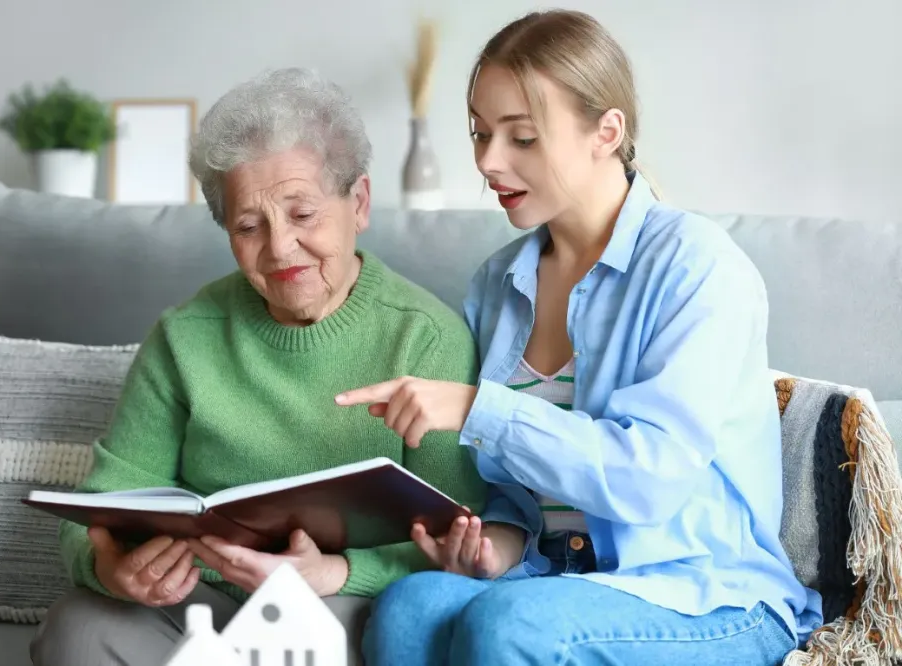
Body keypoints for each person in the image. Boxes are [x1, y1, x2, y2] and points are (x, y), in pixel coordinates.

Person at [336, 10, 823, 665]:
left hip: (709, 597)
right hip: (558, 580)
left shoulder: (697, 265)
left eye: (522, 138)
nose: (488, 161)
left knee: (512, 627)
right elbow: (516, 497)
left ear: (607, 130)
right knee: (409, 609)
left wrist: (478, 408)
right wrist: (493, 546)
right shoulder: (496, 285)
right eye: (480, 134)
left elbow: (648, 479)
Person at [29, 67, 492, 666]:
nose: (278, 249)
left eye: (302, 215)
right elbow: (96, 506)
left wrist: (338, 571)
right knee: (80, 630)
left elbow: (461, 538)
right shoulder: (183, 338)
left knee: (303, 641)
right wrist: (109, 567)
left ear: (360, 202)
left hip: (341, 602)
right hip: (195, 600)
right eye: (248, 226)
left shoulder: (427, 339)